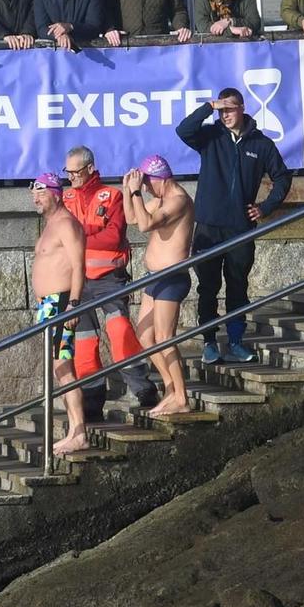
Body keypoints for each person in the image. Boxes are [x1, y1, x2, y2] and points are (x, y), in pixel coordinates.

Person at [176, 89, 292, 363]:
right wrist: (210, 106)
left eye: (229, 109)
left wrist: (265, 207)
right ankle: (209, 341)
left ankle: (237, 341)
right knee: (208, 287)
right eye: (221, 111)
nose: (225, 115)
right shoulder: (210, 136)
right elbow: (184, 130)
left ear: (242, 108)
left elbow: (282, 178)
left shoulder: (261, 143)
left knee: (237, 286)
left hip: (240, 229)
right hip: (208, 227)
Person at [62, 145, 157, 407]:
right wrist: (91, 234)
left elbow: (113, 238)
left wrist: (78, 238)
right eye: (67, 173)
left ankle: (143, 388)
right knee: (84, 342)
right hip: (76, 281)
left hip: (109, 279)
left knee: (120, 331)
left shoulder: (112, 196)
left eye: (75, 172)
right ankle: (93, 399)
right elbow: (59, 237)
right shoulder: (65, 199)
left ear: (90, 168)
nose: (71, 178)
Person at [28, 176, 100, 456]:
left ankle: (79, 433)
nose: (36, 199)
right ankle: (73, 430)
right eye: (34, 194)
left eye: (41, 193)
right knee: (60, 370)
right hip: (48, 305)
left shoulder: (67, 224)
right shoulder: (50, 225)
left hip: (61, 303)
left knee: (64, 368)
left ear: (56, 194)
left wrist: (73, 304)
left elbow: (78, 265)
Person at [121, 155, 194, 417]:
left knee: (164, 338)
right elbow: (132, 217)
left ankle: (182, 397)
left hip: (171, 278)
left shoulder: (178, 200)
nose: (146, 189)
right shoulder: (160, 199)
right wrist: (127, 189)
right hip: (154, 277)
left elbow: (145, 224)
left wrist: (137, 193)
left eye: (147, 184)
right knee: (145, 335)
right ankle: (171, 388)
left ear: (159, 179)